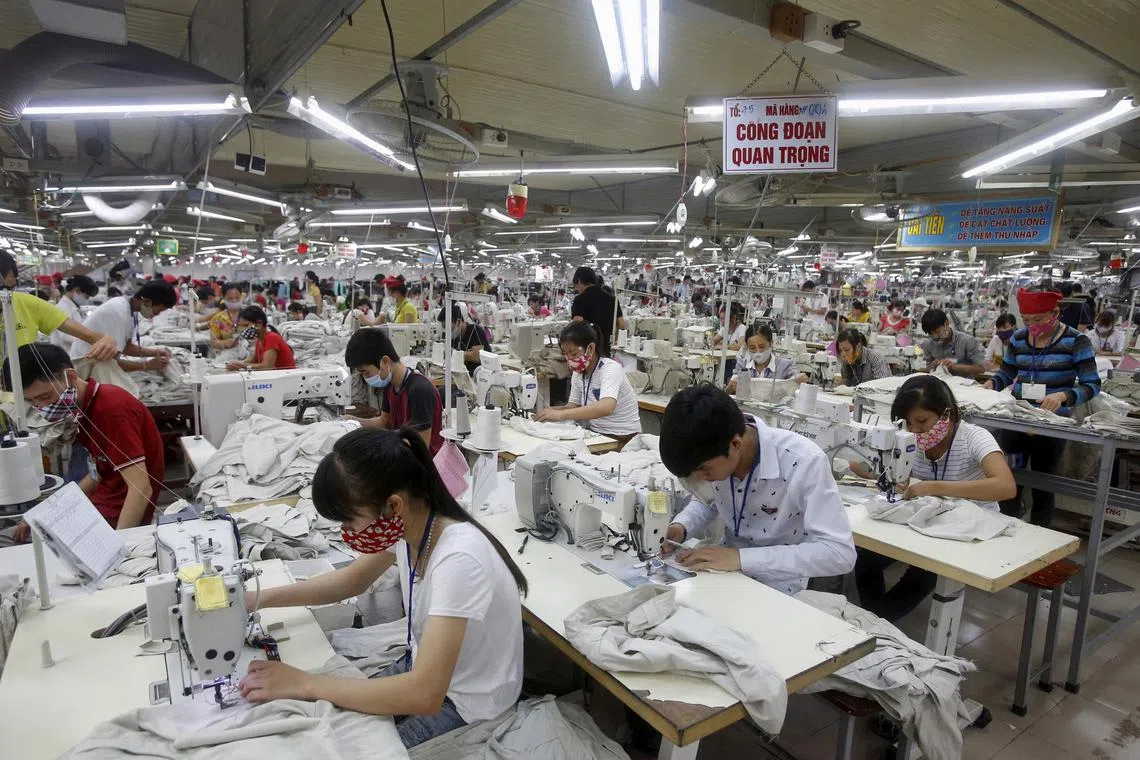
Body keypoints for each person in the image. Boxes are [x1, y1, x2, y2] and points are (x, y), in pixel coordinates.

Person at [238, 427, 527, 748]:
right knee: (325, 723)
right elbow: (350, 581)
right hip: (424, 671)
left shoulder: (458, 559)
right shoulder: (412, 529)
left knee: (351, 748)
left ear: (393, 506)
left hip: (466, 702)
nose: (347, 533)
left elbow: (424, 694)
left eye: (350, 522)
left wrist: (306, 683)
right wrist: (255, 599)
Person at [656, 385, 856, 593]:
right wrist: (681, 527)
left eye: (704, 471)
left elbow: (840, 553)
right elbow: (708, 498)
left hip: (779, 586)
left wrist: (740, 558)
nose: (703, 479)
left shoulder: (804, 462)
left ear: (735, 445)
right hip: (722, 571)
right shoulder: (713, 455)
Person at [852, 376, 1016, 621]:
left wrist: (934, 487)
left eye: (922, 421)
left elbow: (1006, 486)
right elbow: (867, 465)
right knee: (864, 558)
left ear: (946, 414)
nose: (915, 431)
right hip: (926, 520)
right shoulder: (909, 439)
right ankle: (874, 620)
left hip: (970, 527)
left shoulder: (974, 438)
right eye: (907, 423)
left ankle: (876, 623)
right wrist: (869, 465)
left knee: (923, 571)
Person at [2, 344, 163, 538]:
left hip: (116, 519)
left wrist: (121, 544)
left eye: (44, 396)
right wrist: (47, 513)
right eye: (31, 402)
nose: (40, 406)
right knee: (20, 534)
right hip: (100, 506)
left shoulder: (111, 410)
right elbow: (98, 474)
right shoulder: (85, 408)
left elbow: (141, 488)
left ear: (70, 377)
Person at [985, 288, 1100, 526]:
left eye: (1038, 319)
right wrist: (991, 384)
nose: (1032, 325)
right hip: (1016, 424)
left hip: (1051, 426)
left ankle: (1040, 536)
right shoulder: (1018, 338)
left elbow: (1092, 385)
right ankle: (1004, 530)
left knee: (1043, 483)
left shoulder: (1076, 341)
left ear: (1055, 313)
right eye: (1027, 320)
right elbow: (1007, 372)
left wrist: (1064, 396)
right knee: (1009, 478)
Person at [536, 321, 641, 446]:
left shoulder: (610, 369)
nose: (569, 359)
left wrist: (560, 415)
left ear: (590, 348)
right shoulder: (579, 372)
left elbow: (606, 407)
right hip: (597, 435)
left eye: (573, 353)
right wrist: (549, 412)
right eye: (566, 354)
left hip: (622, 438)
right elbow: (573, 406)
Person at [0, 252, 118, 363]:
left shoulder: (26, 304)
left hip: (22, 380)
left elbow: (90, 335)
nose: (6, 295)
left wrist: (106, 340)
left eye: (10, 288)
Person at [344, 328, 444, 454]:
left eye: (366, 372)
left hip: (425, 465)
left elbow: (420, 447)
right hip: (404, 456)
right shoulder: (390, 385)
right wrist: (351, 421)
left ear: (385, 362)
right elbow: (385, 421)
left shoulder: (419, 390)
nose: (365, 378)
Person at [67, 281, 176, 373]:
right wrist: (146, 365)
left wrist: (154, 352)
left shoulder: (131, 310)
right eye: (160, 310)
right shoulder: (118, 313)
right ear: (147, 302)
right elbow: (113, 363)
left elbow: (126, 347)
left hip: (99, 363)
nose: (158, 314)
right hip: (85, 367)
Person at [726, 324, 808, 393]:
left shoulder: (786, 366)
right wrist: (730, 388)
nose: (758, 351)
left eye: (762, 347)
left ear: (771, 343)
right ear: (747, 347)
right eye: (752, 348)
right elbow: (729, 391)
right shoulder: (742, 365)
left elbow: (795, 383)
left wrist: (798, 379)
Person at [571, 266, 625, 356]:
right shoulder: (613, 299)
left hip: (588, 350)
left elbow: (578, 325)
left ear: (579, 281)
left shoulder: (580, 299)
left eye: (575, 285)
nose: (576, 288)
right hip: (607, 348)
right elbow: (622, 325)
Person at [920, 308, 986, 378]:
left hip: (963, 385)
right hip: (940, 384)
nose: (935, 337)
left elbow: (981, 368)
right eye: (930, 334)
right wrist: (933, 366)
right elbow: (929, 367)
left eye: (937, 332)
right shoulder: (928, 344)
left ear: (946, 324)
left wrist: (955, 367)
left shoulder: (967, 341)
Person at [226, 305, 295, 371]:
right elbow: (253, 359)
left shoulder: (272, 338)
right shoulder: (260, 340)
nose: (244, 329)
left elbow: (267, 366)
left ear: (259, 323)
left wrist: (241, 366)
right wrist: (237, 364)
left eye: (246, 325)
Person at [51, 275, 99, 354]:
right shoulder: (62, 308)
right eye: (86, 297)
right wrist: (91, 338)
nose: (87, 300)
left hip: (75, 352)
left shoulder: (74, 307)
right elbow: (65, 336)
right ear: (77, 291)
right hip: (66, 353)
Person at [439, 302, 491, 375]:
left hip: (480, 376)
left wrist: (454, 354)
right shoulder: (455, 336)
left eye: (447, 327)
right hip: (462, 376)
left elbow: (476, 356)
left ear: (458, 322)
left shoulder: (475, 331)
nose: (446, 330)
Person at [208, 283, 244, 351]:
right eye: (230, 298)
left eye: (237, 297)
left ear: (241, 296)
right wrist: (224, 343)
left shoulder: (250, 315)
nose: (234, 301)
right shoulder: (217, 319)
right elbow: (213, 342)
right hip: (227, 356)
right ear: (224, 298)